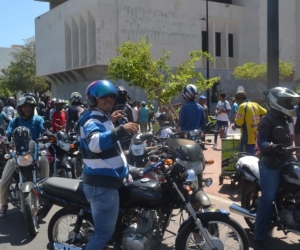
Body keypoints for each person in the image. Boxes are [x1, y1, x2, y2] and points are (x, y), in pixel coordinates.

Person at [78, 80, 138, 249]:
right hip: (102, 185)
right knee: (104, 233)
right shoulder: (90, 119)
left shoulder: (102, 117)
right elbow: (95, 143)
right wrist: (121, 129)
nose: (109, 99)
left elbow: (105, 133)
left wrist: (111, 121)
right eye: (103, 97)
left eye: (111, 96)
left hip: (112, 179)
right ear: (92, 100)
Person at [253, 87, 299, 250]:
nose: (290, 103)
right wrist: (273, 146)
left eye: (290, 101)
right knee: (268, 198)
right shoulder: (267, 119)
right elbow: (261, 142)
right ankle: (259, 237)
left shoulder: (287, 118)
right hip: (270, 162)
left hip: (287, 160)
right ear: (276, 102)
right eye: (287, 101)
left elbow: (292, 138)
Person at [0, 95, 49, 217]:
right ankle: (4, 204)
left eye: (29, 106)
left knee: (45, 161)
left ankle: (46, 193)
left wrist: (49, 134)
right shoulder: (15, 121)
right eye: (24, 106)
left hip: (34, 153)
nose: (27, 108)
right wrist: (3, 139)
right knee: (2, 181)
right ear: (20, 108)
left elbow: (45, 131)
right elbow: (8, 134)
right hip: (17, 154)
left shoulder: (38, 120)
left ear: (33, 107)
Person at [233, 91, 267, 155]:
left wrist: (234, 126)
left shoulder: (242, 106)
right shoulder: (255, 104)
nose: (237, 102)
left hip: (247, 139)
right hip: (256, 137)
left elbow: (238, 123)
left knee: (245, 158)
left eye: (237, 100)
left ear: (239, 99)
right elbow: (265, 112)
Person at [293, 91, 300, 161]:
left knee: (298, 147)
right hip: (296, 131)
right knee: (298, 147)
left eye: (297, 98)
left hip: (296, 131)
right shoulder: (295, 108)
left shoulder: (295, 108)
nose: (296, 99)